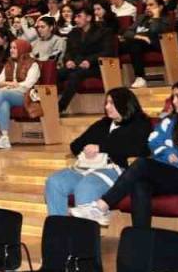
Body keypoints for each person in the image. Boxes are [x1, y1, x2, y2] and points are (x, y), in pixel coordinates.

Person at [71, 79, 178, 227]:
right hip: (165, 173)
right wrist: (168, 152)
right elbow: (153, 141)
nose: (174, 101)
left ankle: (101, 206)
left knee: (143, 163)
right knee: (139, 185)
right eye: (173, 97)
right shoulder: (170, 122)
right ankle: (141, 242)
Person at [43, 88, 152, 216]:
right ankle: (59, 231)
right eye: (106, 103)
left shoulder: (140, 124)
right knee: (54, 182)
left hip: (117, 170)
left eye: (112, 103)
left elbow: (141, 149)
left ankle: (84, 234)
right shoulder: (103, 124)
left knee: (86, 186)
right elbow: (76, 145)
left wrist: (101, 147)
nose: (107, 107)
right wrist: (87, 148)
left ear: (124, 103)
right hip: (88, 167)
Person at [0, 39, 42, 150]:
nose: (11, 50)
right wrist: (9, 84)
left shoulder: (33, 64)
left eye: (14, 48)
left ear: (23, 49)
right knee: (4, 103)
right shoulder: (9, 64)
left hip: (28, 96)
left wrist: (11, 86)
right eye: (11, 47)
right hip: (10, 94)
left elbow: (28, 84)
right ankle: (5, 138)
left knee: (2, 93)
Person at [118, 0, 166, 88]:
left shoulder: (164, 19)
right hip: (138, 42)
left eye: (151, 5)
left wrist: (156, 17)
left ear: (160, 7)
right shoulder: (142, 18)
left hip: (154, 45)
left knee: (134, 44)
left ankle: (140, 77)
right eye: (147, 5)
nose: (147, 7)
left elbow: (154, 32)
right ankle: (113, 78)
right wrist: (140, 37)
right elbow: (127, 32)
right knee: (115, 45)